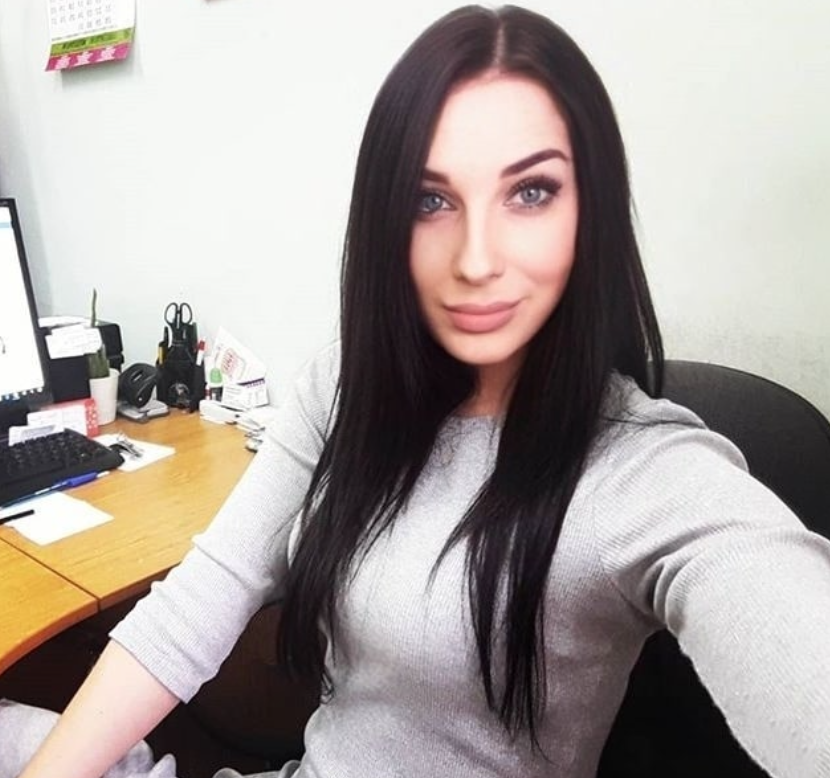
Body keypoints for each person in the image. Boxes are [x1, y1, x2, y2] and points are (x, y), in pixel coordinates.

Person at [5, 5, 830, 778]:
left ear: (593, 209)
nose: (476, 259)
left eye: (531, 192)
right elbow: (198, 603)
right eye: (431, 200)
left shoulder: (646, 474)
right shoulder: (347, 387)